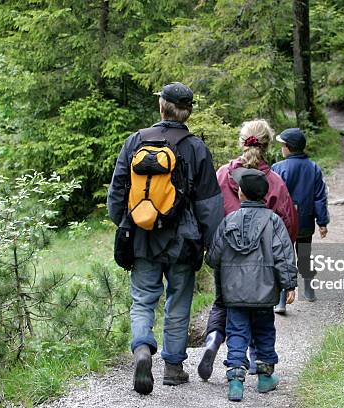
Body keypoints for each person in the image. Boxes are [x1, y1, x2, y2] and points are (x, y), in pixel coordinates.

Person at [107, 82, 224, 395]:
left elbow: (117, 193)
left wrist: (125, 222)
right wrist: (213, 246)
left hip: (142, 236)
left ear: (162, 106)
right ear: (187, 111)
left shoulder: (136, 140)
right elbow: (209, 204)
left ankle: (142, 349)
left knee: (143, 298)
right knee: (178, 301)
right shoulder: (196, 147)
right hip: (183, 241)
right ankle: (173, 366)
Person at [198, 119, 297, 381]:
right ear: (266, 145)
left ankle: (215, 340)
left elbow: (207, 212)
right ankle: (259, 364)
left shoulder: (222, 175)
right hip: (264, 264)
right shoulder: (274, 182)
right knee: (259, 309)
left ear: (241, 142)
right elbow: (287, 225)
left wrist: (211, 249)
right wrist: (287, 274)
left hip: (227, 259)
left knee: (227, 305)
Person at [205, 168, 298, 402]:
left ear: (241, 195)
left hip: (234, 293)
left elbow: (213, 257)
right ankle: (265, 378)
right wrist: (289, 285)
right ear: (265, 196)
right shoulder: (274, 222)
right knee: (264, 331)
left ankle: (236, 382)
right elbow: (284, 256)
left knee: (237, 332)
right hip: (265, 292)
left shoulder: (229, 220)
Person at [272, 128, 330, 302]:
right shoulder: (314, 168)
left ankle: (281, 299)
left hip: (284, 224)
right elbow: (320, 197)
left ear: (288, 147)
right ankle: (309, 290)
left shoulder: (278, 168)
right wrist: (322, 222)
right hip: (305, 222)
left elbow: (273, 197)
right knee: (305, 253)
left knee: (282, 256)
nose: (281, 148)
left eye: (282, 145)